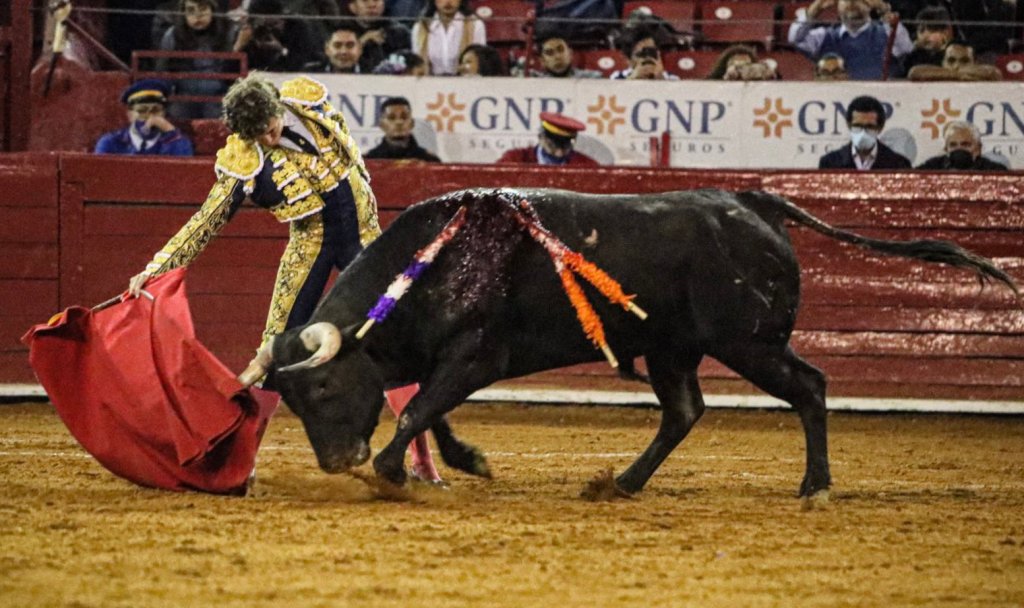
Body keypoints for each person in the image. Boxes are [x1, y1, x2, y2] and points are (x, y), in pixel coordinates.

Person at [124, 73, 442, 483]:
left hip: (365, 242)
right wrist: (158, 267)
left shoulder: (308, 102)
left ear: (278, 108)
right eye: (257, 136)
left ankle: (423, 463)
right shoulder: (244, 157)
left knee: (397, 341)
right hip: (311, 248)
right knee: (273, 350)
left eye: (269, 128)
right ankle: (243, 465)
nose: (267, 140)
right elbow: (206, 221)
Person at [788, 0, 912, 80]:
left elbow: (906, 48)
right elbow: (795, 40)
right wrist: (813, 11)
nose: (852, 3)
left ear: (870, 5)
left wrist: (884, 10)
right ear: (837, 6)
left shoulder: (886, 31)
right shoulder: (825, 36)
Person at [156, 0, 237, 119]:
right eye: (190, 10)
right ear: (183, 13)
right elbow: (161, 71)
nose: (197, 16)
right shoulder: (173, 35)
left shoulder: (228, 32)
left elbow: (234, 70)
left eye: (203, 9)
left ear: (212, 10)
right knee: (176, 113)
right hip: (184, 97)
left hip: (220, 96)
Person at [94, 80, 195, 156]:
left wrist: (170, 130)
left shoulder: (173, 142)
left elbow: (184, 164)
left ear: (164, 113)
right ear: (130, 115)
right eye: (142, 111)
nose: (149, 116)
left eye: (155, 110)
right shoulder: (111, 143)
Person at [818, 95, 912, 170]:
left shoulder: (899, 165)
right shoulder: (830, 163)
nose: (863, 133)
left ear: (880, 127)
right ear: (849, 125)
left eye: (869, 127)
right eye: (857, 126)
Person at [232, 0, 323, 71]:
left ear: (283, 18)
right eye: (264, 26)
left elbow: (299, 64)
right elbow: (229, 74)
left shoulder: (298, 28)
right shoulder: (247, 32)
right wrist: (238, 47)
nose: (269, 30)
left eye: (273, 24)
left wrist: (281, 50)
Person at [411, 0, 486, 75]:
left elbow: (480, 64)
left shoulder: (475, 25)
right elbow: (417, 66)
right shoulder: (420, 28)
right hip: (430, 81)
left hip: (466, 80)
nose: (448, 1)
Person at [497, 112, 599, 166]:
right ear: (541, 137)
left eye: (565, 146)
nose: (559, 153)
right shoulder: (515, 160)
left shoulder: (585, 166)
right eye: (553, 145)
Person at [364, 97, 441, 162]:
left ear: (412, 124)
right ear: (382, 125)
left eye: (404, 117)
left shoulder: (429, 161)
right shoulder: (368, 161)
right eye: (391, 118)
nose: (399, 122)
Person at [344, 0, 412, 72]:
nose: (372, 5)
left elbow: (407, 65)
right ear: (352, 7)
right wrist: (361, 43)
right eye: (365, 1)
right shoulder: (343, 32)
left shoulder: (399, 32)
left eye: (376, 0)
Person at [916, 120, 1008, 171]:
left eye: (965, 145)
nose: (959, 149)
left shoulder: (994, 171)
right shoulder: (932, 167)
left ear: (978, 148)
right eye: (953, 145)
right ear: (946, 149)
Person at [894, 7, 953, 77]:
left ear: (945, 32)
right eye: (921, 31)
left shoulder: (953, 55)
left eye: (931, 31)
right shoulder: (912, 57)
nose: (925, 36)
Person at [907, 41, 1002, 81]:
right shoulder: (936, 73)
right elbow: (914, 72)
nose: (957, 66)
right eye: (951, 61)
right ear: (943, 62)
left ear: (975, 62)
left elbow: (995, 73)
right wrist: (958, 76)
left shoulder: (985, 72)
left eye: (964, 61)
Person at [609, 29, 680, 81]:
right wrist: (633, 78)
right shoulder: (618, 77)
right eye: (641, 54)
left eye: (651, 52)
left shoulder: (672, 79)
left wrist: (660, 79)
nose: (648, 58)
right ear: (628, 59)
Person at [528, 32, 602, 78]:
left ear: (570, 53)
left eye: (560, 50)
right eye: (550, 53)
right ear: (542, 61)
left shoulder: (591, 79)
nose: (557, 56)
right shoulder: (534, 81)